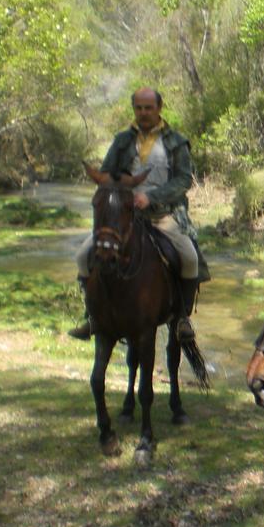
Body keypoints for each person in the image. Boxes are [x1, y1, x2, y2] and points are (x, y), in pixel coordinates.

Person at [69, 88, 201, 342]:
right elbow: (107, 175)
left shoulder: (176, 142)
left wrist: (151, 197)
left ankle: (182, 318)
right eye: (139, 108)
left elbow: (184, 179)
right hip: (124, 218)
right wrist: (120, 197)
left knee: (190, 256)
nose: (143, 113)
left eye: (148, 108)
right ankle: (91, 315)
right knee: (83, 256)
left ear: (159, 108)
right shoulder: (122, 141)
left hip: (164, 214)